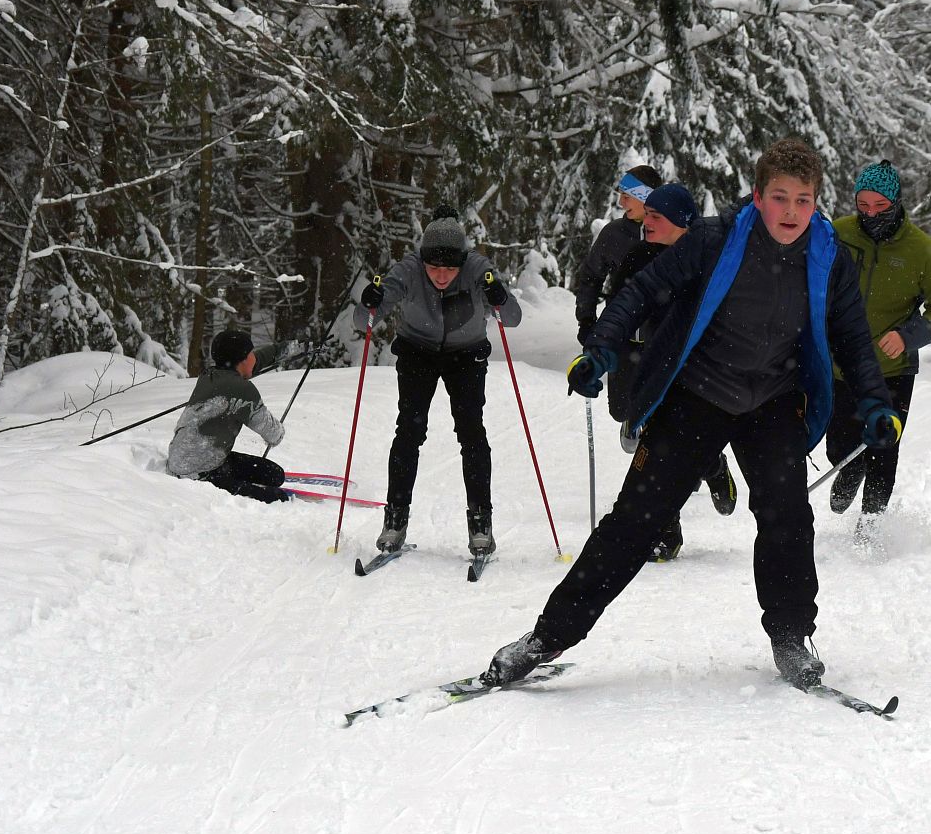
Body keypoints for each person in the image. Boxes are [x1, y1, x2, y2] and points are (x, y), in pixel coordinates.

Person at [479, 136, 902, 692]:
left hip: (773, 401)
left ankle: (791, 638)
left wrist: (875, 402)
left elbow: (852, 337)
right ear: (758, 197)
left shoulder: (829, 258)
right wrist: (601, 350)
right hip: (697, 396)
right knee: (635, 521)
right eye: (780, 198)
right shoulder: (714, 239)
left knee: (788, 519)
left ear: (817, 201)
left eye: (804, 200)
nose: (792, 212)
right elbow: (640, 292)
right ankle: (546, 637)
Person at [358, 213, 524, 559]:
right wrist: (370, 301)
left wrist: (499, 296)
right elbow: (365, 321)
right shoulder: (409, 269)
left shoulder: (477, 268)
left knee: (471, 432)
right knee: (409, 430)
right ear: (423, 261)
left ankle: (480, 522)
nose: (442, 276)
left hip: (466, 355)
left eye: (450, 269)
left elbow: (512, 318)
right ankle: (395, 518)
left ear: (462, 262)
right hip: (417, 352)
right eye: (434, 268)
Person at [824, 161, 931, 539]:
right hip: (841, 365)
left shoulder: (920, 249)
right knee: (840, 445)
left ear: (896, 202)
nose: (870, 214)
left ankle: (870, 529)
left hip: (892, 370)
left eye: (880, 206)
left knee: (884, 448)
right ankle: (849, 469)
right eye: (863, 205)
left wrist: (907, 336)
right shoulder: (839, 234)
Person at [605, 182, 738, 561]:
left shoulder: (706, 255)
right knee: (658, 445)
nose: (646, 222)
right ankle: (666, 531)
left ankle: (713, 466)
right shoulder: (637, 256)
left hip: (698, 363)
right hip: (653, 360)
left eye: (655, 216)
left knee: (692, 439)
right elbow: (620, 303)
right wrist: (608, 340)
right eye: (646, 214)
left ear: (681, 221)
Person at [573, 163, 661, 447]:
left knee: (666, 409)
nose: (621, 202)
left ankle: (659, 442)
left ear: (646, 197)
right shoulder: (614, 234)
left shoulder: (668, 232)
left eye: (627, 196)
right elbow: (591, 276)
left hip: (660, 336)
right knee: (620, 408)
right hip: (623, 336)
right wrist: (587, 320)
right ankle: (633, 419)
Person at [166, 329, 291, 503]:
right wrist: (280, 431)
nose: (254, 357)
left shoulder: (208, 375)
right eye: (251, 353)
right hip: (199, 474)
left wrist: (285, 349)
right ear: (243, 359)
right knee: (277, 497)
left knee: (275, 474)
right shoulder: (243, 390)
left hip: (183, 461)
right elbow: (273, 434)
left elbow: (252, 364)